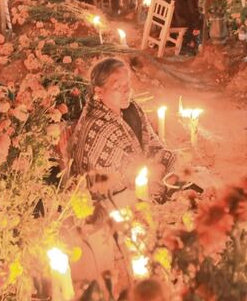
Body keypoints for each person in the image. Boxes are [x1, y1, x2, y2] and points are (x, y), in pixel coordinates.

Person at [70, 58, 174, 204]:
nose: (127, 91)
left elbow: (153, 144)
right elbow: (104, 182)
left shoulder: (132, 109)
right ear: (99, 91)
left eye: (127, 84)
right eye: (118, 87)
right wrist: (150, 174)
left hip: (143, 180)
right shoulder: (96, 126)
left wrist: (160, 165)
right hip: (109, 202)